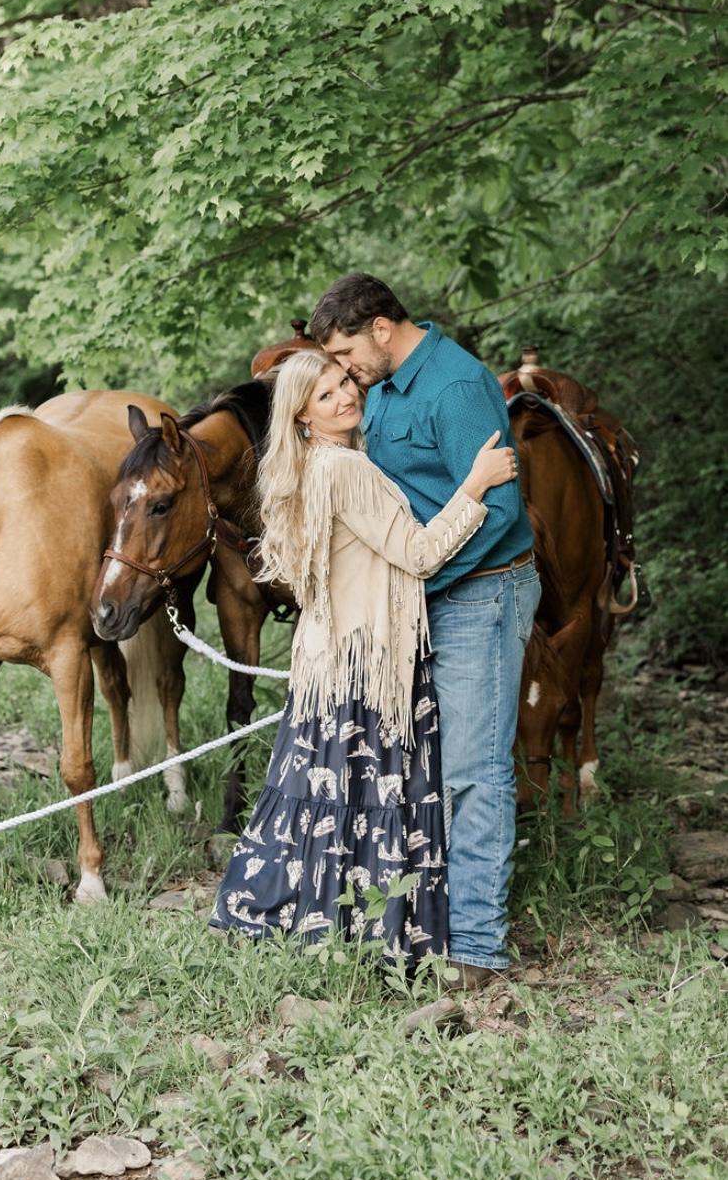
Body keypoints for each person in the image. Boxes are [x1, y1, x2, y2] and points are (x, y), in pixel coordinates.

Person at [209, 349, 516, 966]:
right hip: (367, 661)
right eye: (325, 395)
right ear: (302, 416)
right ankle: (374, 931)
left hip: (330, 659)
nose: (346, 395)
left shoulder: (312, 467)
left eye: (344, 381)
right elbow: (420, 555)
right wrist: (475, 484)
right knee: (368, 794)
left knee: (325, 795)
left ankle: (306, 919)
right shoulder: (345, 470)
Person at [311, 273, 542, 988]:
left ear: (381, 328)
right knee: (423, 768)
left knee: (473, 772)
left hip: (479, 594)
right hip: (421, 597)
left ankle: (475, 946)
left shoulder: (456, 387)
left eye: (346, 351)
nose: (343, 369)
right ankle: (421, 922)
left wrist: (414, 584)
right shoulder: (379, 387)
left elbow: (499, 513)